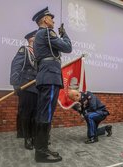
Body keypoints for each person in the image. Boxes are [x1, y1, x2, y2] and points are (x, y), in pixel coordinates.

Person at [32, 7, 72, 163]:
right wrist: (64, 34)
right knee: (46, 113)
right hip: (50, 77)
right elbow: (67, 48)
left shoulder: (39, 35)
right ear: (44, 20)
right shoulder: (46, 33)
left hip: (46, 76)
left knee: (44, 113)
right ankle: (41, 153)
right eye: (51, 18)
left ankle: (41, 148)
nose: (53, 21)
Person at [10, 30, 38, 150]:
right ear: (31, 39)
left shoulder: (39, 53)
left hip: (38, 88)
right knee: (26, 114)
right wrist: (16, 85)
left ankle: (35, 137)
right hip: (26, 87)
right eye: (37, 37)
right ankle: (28, 138)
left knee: (36, 115)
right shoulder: (24, 50)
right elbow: (16, 66)